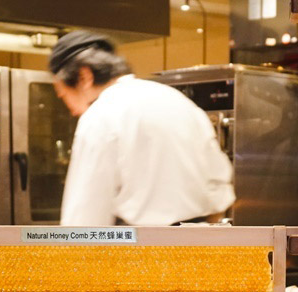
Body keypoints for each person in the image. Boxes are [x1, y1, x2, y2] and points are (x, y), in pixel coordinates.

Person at [49, 30, 234, 226]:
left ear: (84, 77)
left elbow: (85, 216)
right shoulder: (179, 101)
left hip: (139, 250)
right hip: (201, 248)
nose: (71, 110)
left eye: (64, 96)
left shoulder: (100, 115)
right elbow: (220, 189)